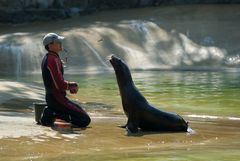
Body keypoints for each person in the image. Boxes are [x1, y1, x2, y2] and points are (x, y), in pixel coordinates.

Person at [40, 33, 91, 127]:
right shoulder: (52, 59)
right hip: (56, 99)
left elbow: (56, 82)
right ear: (50, 45)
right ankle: (51, 113)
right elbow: (59, 85)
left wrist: (69, 86)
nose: (60, 43)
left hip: (55, 98)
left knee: (80, 113)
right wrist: (74, 85)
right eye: (58, 42)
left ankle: (52, 111)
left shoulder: (51, 57)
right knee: (84, 120)